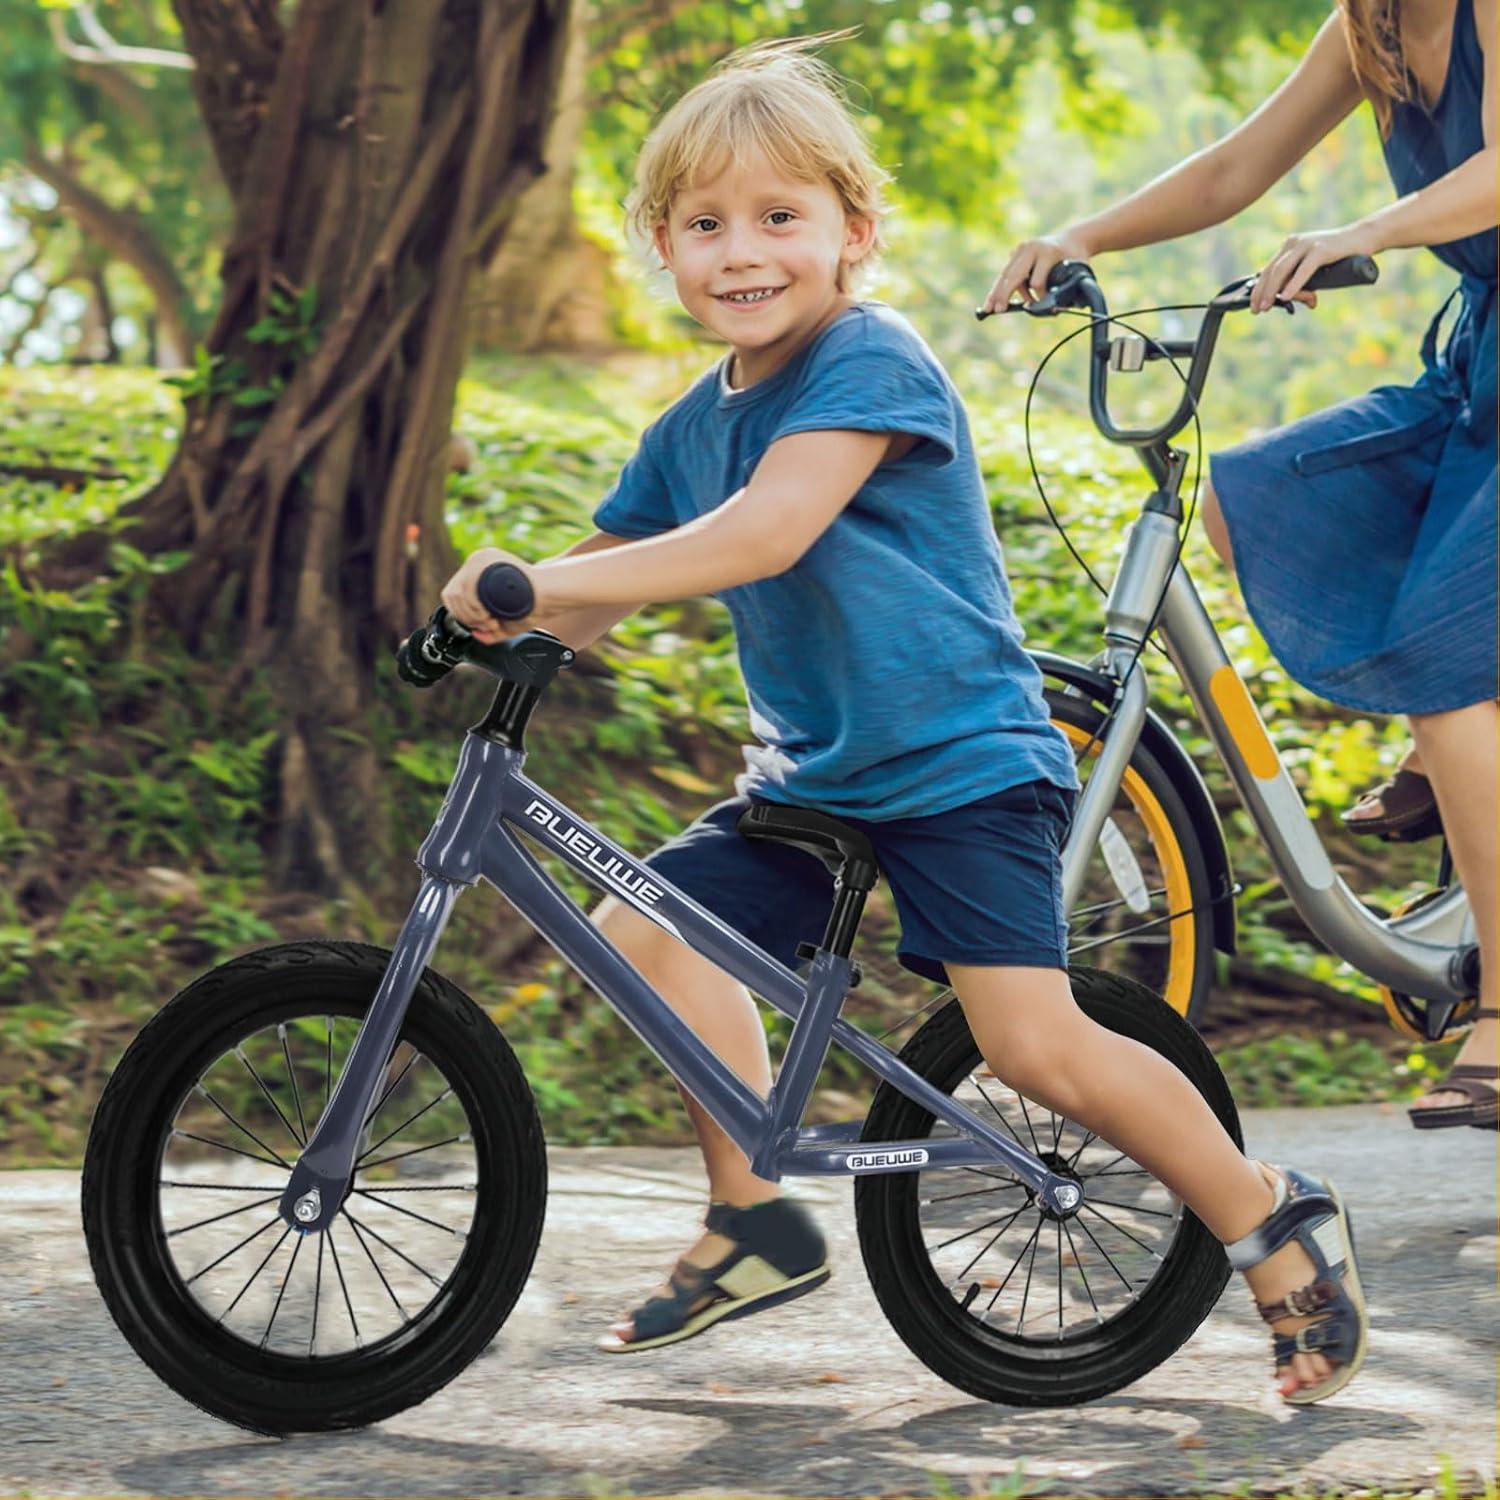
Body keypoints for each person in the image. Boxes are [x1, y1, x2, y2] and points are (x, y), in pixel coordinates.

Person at [441, 36, 1369, 1402]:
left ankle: (1267, 1215)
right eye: (705, 225)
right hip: (818, 776)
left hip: (960, 768)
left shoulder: (870, 359)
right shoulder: (695, 422)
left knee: (1033, 1050)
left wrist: (550, 585)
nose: (741, 251)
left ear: (854, 233)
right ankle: (755, 1216)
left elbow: (768, 532)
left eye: (779, 217)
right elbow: (599, 584)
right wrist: (500, 620)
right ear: (660, 246)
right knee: (652, 929)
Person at [985, 0, 1496, 1130]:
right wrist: (1085, 238)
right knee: (1252, 496)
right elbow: (1234, 169)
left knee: (1447, 657)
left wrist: (1363, 232)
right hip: (1481, 363)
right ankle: (1453, 773)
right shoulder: (1365, 26)